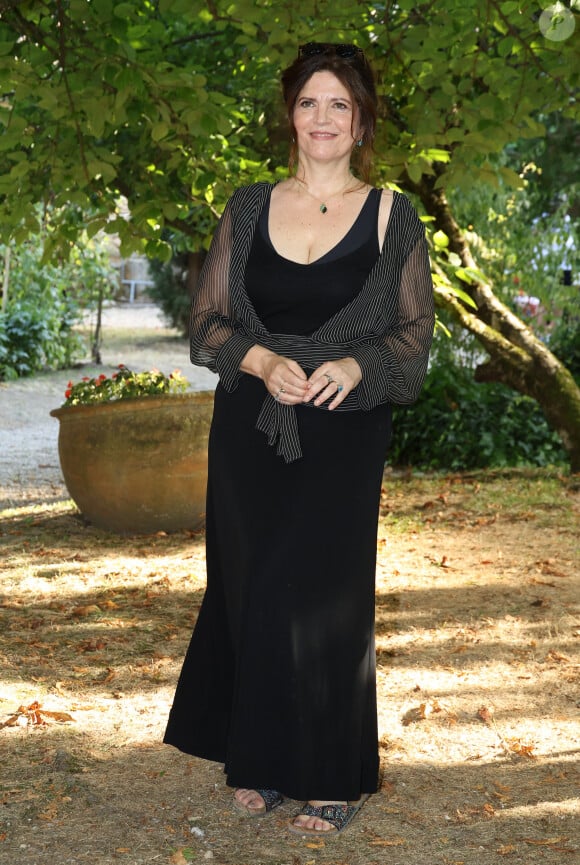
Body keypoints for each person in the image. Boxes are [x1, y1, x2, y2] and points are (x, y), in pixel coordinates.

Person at [164, 41, 434, 836]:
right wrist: (257, 357)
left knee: (326, 597)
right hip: (251, 424)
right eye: (310, 102)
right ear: (291, 113)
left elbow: (416, 340)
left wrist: (355, 363)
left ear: (361, 122)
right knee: (249, 586)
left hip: (343, 436)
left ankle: (330, 772)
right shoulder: (249, 205)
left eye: (339, 105)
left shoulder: (392, 215)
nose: (323, 118)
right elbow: (206, 321)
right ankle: (258, 760)